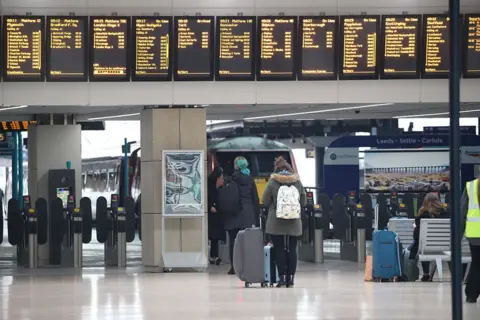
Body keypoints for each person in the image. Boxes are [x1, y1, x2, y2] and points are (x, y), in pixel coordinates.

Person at [263, 157, 306, 287]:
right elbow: (303, 202)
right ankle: (291, 279)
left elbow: (265, 201)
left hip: (276, 221)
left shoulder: (272, 182)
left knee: (279, 248)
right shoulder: (297, 182)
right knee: (292, 249)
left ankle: (281, 278)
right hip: (293, 220)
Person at [224, 156, 260, 275]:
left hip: (234, 213)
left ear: (236, 166)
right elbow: (255, 198)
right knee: (247, 240)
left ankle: (234, 266)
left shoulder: (232, 179)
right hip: (248, 213)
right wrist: (256, 214)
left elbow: (228, 196)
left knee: (234, 241)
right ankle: (247, 264)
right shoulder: (250, 179)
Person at [409, 192, 448, 281]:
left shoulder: (422, 215)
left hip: (426, 248)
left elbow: (416, 236)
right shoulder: (446, 213)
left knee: (420, 245)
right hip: (445, 247)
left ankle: (425, 274)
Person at [461, 178, 480, 303]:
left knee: (477, 264)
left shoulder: (471, 186)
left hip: (475, 233)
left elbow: (462, 211)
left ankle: (471, 294)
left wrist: (458, 234)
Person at [207, 167, 225, 265]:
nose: (223, 180)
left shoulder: (221, 189)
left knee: (215, 237)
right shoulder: (210, 188)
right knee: (213, 236)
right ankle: (213, 256)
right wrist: (210, 207)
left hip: (217, 215)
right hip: (212, 215)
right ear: (217, 178)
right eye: (221, 178)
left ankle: (214, 255)